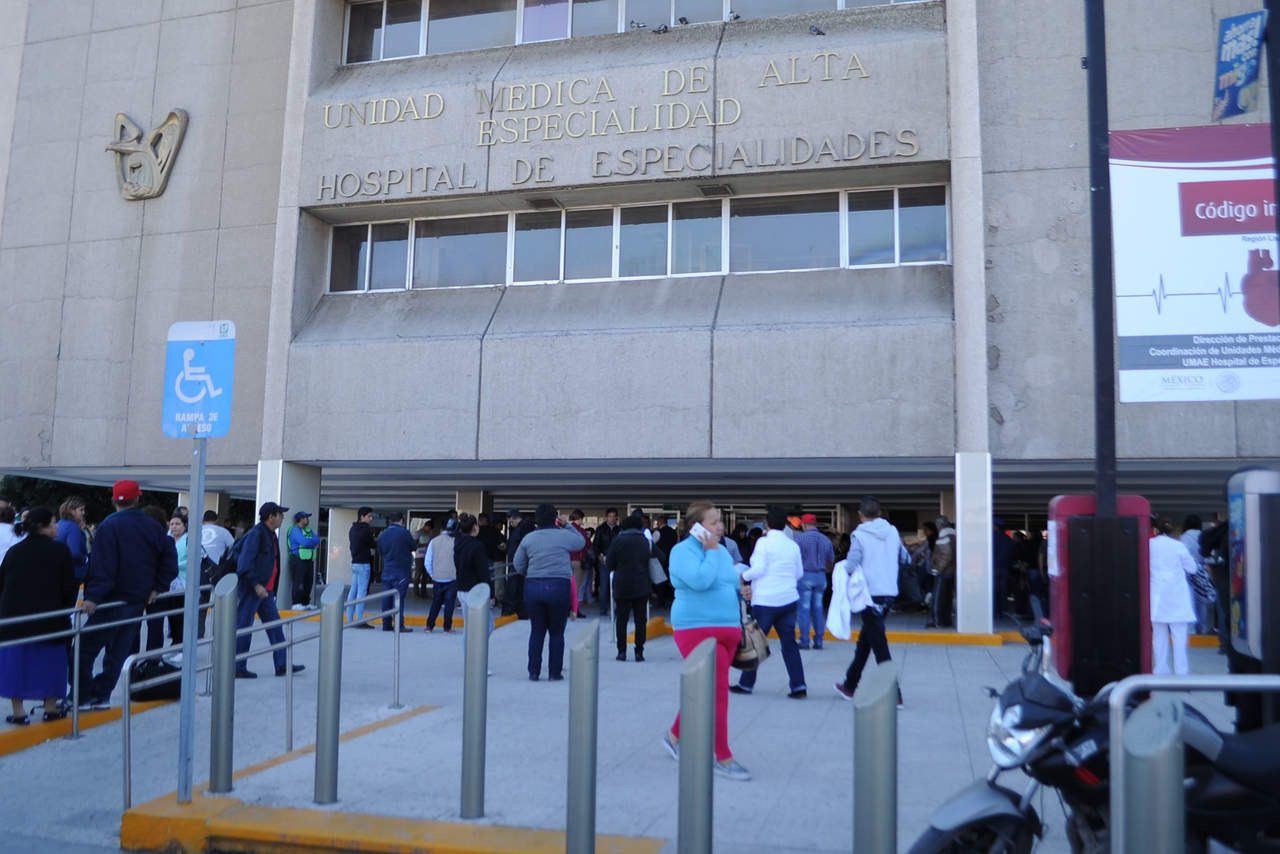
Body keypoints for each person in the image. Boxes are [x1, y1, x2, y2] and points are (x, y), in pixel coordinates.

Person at [664, 501, 750, 781]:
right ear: (696, 527)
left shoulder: (722, 552)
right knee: (717, 692)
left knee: (706, 689)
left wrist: (742, 591)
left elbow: (727, 583)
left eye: (720, 521)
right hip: (697, 628)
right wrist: (711, 552)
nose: (720, 527)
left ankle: (673, 736)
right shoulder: (682, 552)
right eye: (713, 522)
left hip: (727, 628)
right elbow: (700, 581)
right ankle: (722, 756)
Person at [78, 480, 177, 708]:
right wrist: (157, 587)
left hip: (111, 600)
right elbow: (169, 560)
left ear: (114, 500)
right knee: (118, 651)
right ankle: (102, 694)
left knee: (84, 649)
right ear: (137, 499)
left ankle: (83, 696)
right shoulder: (153, 527)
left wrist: (92, 597)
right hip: (138, 599)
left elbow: (102, 565)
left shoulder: (108, 526)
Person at [0, 508, 78, 724]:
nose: (57, 526)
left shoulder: (14, 551)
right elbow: (69, 588)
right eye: (53, 522)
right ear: (43, 526)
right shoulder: (60, 551)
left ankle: (19, 713)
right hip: (51, 620)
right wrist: (66, 610)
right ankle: (50, 708)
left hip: (15, 622)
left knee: (17, 665)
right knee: (51, 665)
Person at [835, 496, 907, 706]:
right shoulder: (892, 532)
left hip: (869, 595)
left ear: (860, 514)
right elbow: (904, 557)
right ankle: (850, 685)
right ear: (880, 513)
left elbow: (852, 563)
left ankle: (895, 694)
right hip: (889, 593)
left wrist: (844, 574)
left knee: (879, 646)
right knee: (866, 641)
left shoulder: (859, 534)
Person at [733, 506, 806, 698]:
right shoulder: (793, 545)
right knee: (789, 644)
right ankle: (798, 685)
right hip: (789, 599)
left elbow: (758, 569)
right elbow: (799, 573)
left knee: (756, 643)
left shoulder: (763, 543)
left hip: (766, 600)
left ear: (767, 524)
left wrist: (743, 576)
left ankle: (746, 684)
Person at [512, 504, 583, 681]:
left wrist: (529, 573)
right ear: (555, 519)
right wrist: (567, 525)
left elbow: (518, 563)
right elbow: (580, 542)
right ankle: (554, 672)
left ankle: (534, 671)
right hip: (559, 586)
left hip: (534, 586)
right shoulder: (564, 535)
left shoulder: (529, 538)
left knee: (537, 631)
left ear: (537, 519)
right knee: (557, 633)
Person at [234, 502, 304, 679]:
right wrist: (256, 584)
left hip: (266, 590)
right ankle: (237, 666)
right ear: (271, 517)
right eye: (280, 514)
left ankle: (282, 664)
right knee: (244, 627)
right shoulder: (256, 535)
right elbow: (244, 564)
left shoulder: (270, 534)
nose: (283, 518)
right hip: (253, 589)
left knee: (275, 627)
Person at [1150, 515, 1197, 676]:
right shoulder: (1178, 546)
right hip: (1177, 597)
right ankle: (1181, 673)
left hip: (1157, 597)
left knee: (1159, 637)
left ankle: (1160, 671)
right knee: (1179, 638)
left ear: (1155, 530)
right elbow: (1192, 568)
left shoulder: (1148, 546)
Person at [606, 512, 653, 662]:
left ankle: (622, 652)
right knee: (640, 620)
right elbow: (659, 557)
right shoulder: (645, 541)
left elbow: (609, 564)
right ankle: (639, 652)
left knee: (621, 620)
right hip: (641, 584)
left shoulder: (617, 541)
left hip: (622, 584)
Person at [143, 513, 188, 651]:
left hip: (180, 583)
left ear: (185, 526)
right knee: (167, 618)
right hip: (167, 584)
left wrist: (174, 566)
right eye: (172, 524)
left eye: (178, 524)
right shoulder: (167, 539)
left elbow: (191, 560)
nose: (174, 527)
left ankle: (177, 646)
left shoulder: (188, 540)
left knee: (177, 618)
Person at [795, 512, 834, 649]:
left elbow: (795, 560)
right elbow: (831, 560)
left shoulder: (800, 539)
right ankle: (818, 641)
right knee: (818, 608)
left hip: (805, 576)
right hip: (821, 577)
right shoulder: (826, 540)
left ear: (804, 525)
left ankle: (805, 641)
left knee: (804, 609)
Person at [377, 511, 415, 632]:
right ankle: (399, 625)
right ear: (401, 520)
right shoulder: (404, 532)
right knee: (398, 598)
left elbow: (380, 550)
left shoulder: (383, 534)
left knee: (386, 598)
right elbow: (413, 546)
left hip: (387, 569)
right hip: (401, 570)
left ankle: (386, 624)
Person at [198, 510, 233, 636]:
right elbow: (232, 548)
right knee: (220, 605)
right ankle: (219, 634)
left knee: (201, 604)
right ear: (217, 521)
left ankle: (198, 633)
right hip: (218, 573)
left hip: (199, 573)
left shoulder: (196, 531)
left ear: (203, 521)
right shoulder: (223, 532)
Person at [424, 519, 458, 632]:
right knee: (449, 604)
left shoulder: (434, 541)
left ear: (441, 528)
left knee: (436, 603)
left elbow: (427, 561)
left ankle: (429, 626)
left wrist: (433, 574)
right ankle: (447, 627)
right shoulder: (456, 541)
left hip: (437, 578)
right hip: (452, 577)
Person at [346, 507, 376, 628]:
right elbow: (373, 544)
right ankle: (359, 620)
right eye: (369, 516)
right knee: (361, 593)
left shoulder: (352, 529)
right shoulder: (366, 529)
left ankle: (349, 619)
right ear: (362, 517)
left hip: (355, 563)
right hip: (364, 564)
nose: (371, 518)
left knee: (353, 591)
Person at [502, 509, 535, 617]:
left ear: (516, 518)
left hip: (519, 562)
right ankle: (518, 610)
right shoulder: (520, 528)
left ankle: (511, 610)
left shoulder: (525, 528)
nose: (511, 524)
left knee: (514, 586)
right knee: (516, 587)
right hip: (517, 561)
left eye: (511, 521)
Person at [926, 516, 956, 628]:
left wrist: (938, 569)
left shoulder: (944, 535)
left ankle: (937, 621)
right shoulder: (954, 535)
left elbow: (946, 555)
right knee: (947, 598)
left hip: (943, 572)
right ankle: (946, 620)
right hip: (951, 571)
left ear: (939, 525)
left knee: (938, 598)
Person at [288, 511, 321, 610]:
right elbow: (305, 542)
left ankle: (305, 603)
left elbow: (318, 540)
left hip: (308, 559)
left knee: (308, 581)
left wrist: (309, 542)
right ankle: (296, 603)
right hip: (298, 559)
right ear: (301, 519)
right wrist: (311, 542)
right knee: (299, 581)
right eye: (306, 517)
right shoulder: (295, 530)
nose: (308, 519)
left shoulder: (308, 530)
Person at [55, 497, 89, 582]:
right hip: (74, 574)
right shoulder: (73, 527)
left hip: (59, 573)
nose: (83, 513)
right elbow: (74, 553)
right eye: (81, 510)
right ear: (72, 511)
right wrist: (86, 559)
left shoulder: (59, 524)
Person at [593, 508, 621, 613]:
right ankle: (603, 608)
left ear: (617, 518)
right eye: (610, 516)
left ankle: (617, 608)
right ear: (606, 517)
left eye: (614, 516)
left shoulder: (619, 529)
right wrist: (599, 556)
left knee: (616, 585)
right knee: (604, 585)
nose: (612, 519)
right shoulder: (600, 529)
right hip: (603, 560)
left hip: (617, 561)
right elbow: (595, 545)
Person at [568, 509, 591, 616]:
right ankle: (574, 609)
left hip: (566, 561)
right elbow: (587, 545)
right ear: (580, 518)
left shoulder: (566, 529)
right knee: (576, 587)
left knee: (566, 585)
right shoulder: (581, 531)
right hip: (577, 560)